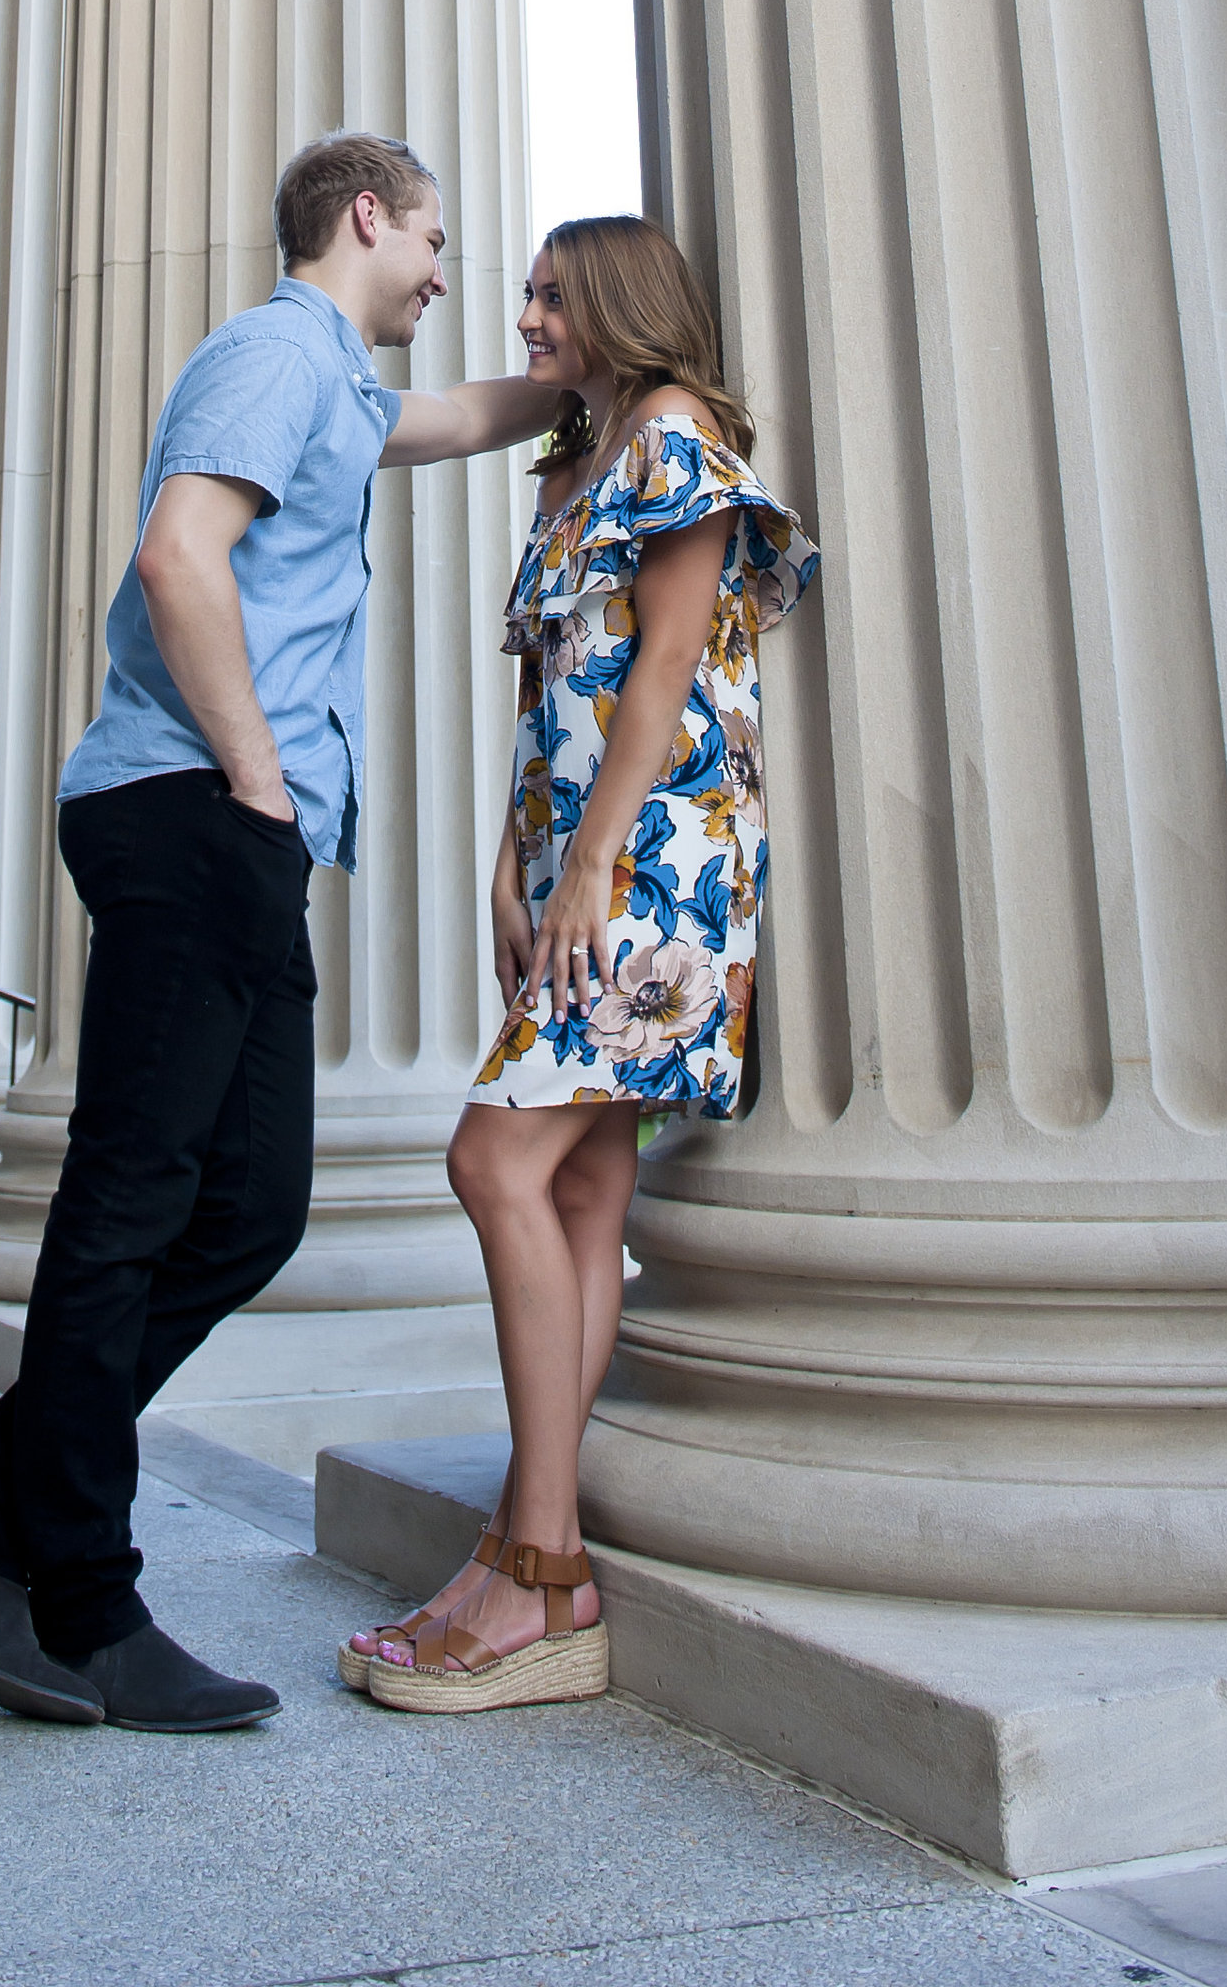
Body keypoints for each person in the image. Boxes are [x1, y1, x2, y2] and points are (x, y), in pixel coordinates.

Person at [0, 131, 560, 1734]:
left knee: (243, 1209)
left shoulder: (332, 381)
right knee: (131, 1204)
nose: (449, 278)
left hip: (224, 820)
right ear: (366, 217)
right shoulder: (272, 351)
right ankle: (79, 1599)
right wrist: (257, 782)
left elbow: (452, 418)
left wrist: (587, 377)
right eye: (438, 242)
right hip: (197, 807)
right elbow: (178, 554)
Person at [348, 212, 817, 1713]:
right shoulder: (574, 462)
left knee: (491, 1166)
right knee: (582, 1183)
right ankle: (521, 1553)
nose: (529, 318)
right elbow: (562, 677)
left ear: (617, 304)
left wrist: (596, 863)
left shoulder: (674, 436)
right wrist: (514, 852)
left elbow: (669, 666)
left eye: (551, 297)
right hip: (579, 857)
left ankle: (542, 1568)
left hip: (658, 871)